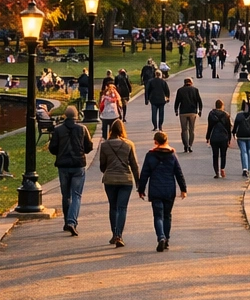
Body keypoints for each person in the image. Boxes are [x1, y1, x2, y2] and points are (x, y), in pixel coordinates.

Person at [137, 130, 187, 251]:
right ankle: (167, 239)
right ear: (166, 140)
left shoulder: (150, 155)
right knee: (167, 215)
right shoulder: (172, 155)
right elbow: (178, 173)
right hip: (169, 190)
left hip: (155, 189)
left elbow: (144, 174)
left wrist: (141, 189)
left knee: (158, 216)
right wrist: (183, 189)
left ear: (155, 142)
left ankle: (161, 237)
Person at [49, 107, 93, 236]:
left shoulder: (58, 130)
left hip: (63, 165)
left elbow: (53, 148)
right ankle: (72, 221)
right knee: (76, 195)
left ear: (65, 116)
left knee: (66, 195)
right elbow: (89, 146)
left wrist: (60, 154)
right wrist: (81, 151)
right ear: (76, 116)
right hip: (78, 165)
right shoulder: (82, 129)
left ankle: (66, 221)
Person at [98, 118, 140, 247]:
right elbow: (134, 165)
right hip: (125, 180)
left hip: (110, 179)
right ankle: (119, 235)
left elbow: (102, 165)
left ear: (111, 130)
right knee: (122, 208)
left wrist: (108, 170)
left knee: (113, 207)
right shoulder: (129, 144)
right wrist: (139, 183)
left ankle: (113, 234)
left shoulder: (105, 145)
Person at [174, 77, 203, 153]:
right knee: (191, 130)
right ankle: (190, 145)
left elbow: (177, 101)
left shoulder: (180, 90)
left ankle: (186, 145)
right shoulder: (195, 90)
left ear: (184, 83)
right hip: (192, 112)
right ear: (191, 82)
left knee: (184, 130)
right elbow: (199, 101)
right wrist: (200, 110)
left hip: (183, 112)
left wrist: (176, 110)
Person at [205, 99, 233, 178]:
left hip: (214, 137)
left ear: (215, 105)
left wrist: (208, 137)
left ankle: (216, 172)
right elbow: (228, 128)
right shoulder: (226, 115)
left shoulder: (211, 114)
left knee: (215, 155)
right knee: (223, 154)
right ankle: (222, 168)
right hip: (224, 137)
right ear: (222, 106)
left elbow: (209, 127)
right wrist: (229, 139)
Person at [233, 101, 250, 178]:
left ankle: (245, 169)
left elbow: (235, 126)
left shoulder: (239, 116)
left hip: (241, 136)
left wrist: (233, 133)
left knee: (243, 151)